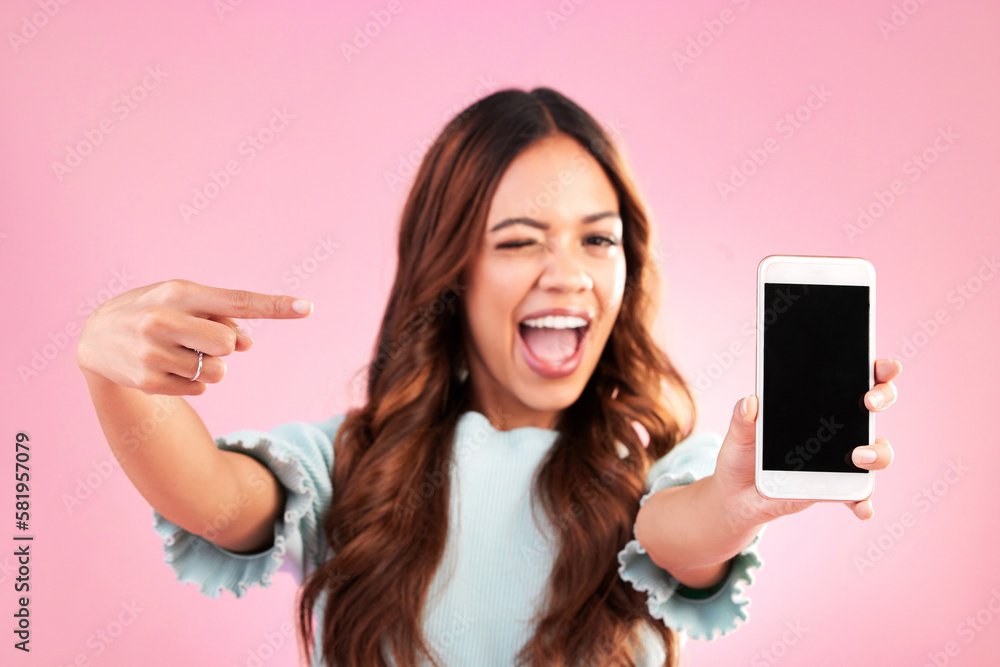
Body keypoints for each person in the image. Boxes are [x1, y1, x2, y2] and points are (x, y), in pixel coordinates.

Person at [76, 87, 900, 667]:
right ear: (453, 275)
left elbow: (681, 535)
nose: (569, 273)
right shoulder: (349, 465)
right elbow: (212, 499)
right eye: (517, 241)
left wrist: (741, 502)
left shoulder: (655, 470)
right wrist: (113, 369)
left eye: (597, 239)